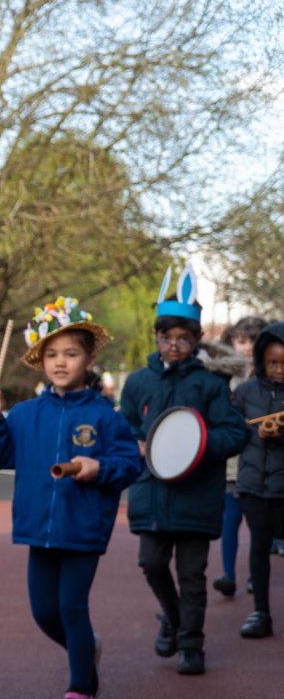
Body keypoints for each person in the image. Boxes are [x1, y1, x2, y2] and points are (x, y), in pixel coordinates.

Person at [0, 298, 142, 699]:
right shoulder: (24, 414)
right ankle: (85, 650)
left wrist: (99, 468)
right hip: (38, 528)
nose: (60, 362)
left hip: (84, 527)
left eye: (70, 354)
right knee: (44, 613)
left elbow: (130, 464)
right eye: (51, 354)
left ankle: (81, 690)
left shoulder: (105, 416)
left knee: (71, 608)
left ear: (89, 360)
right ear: (41, 361)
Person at [120, 263, 251, 676]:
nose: (174, 345)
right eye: (166, 337)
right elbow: (124, 426)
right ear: (155, 336)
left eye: (183, 338)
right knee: (151, 563)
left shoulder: (211, 384)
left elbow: (236, 433)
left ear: (196, 339)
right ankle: (174, 619)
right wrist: (136, 443)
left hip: (197, 494)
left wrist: (197, 445)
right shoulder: (138, 382)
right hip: (152, 493)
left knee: (193, 574)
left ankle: (192, 644)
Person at [232, 322, 284, 637]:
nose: (278, 369)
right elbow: (234, 430)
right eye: (272, 363)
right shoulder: (246, 391)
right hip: (253, 485)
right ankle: (261, 612)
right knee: (258, 547)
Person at [212, 316, 264, 596]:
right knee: (229, 519)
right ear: (231, 342)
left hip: (261, 463)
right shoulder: (224, 378)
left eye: (253, 340)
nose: (246, 347)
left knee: (259, 526)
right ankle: (228, 575)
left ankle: (257, 575)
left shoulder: (270, 378)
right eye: (241, 340)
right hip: (231, 465)